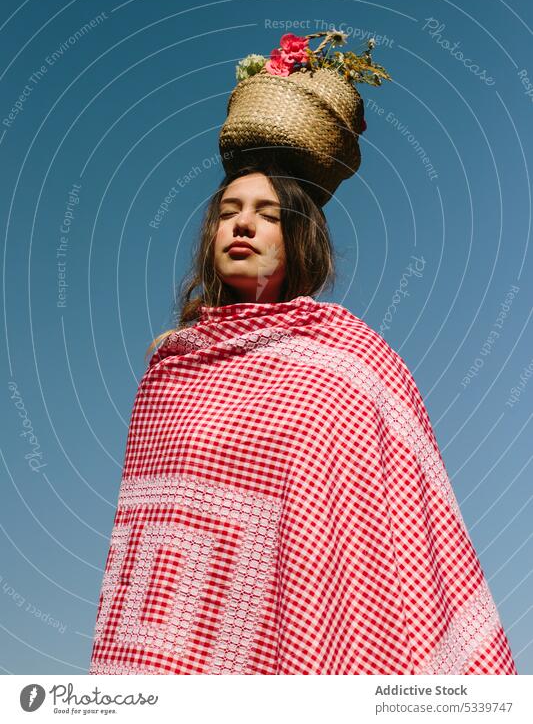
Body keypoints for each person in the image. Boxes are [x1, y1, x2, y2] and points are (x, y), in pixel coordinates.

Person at [89, 159, 517, 675]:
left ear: (297, 238)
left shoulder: (347, 355)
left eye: (266, 214)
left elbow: (389, 511)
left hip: (316, 621)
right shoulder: (174, 364)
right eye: (229, 212)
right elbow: (152, 524)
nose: (242, 224)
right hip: (173, 643)